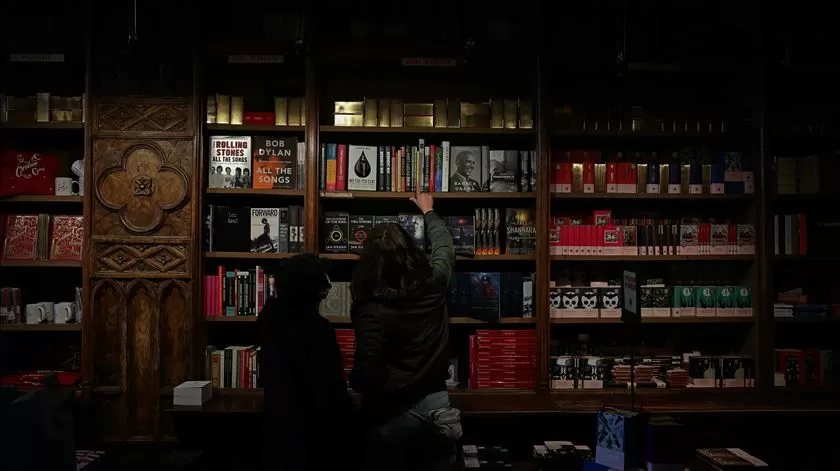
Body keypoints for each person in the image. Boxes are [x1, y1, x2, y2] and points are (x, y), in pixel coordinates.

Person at [350, 186, 463, 471]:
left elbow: (367, 369)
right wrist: (429, 211)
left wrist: (358, 386)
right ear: (411, 253)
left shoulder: (369, 307)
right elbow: (444, 248)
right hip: (436, 404)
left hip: (389, 410)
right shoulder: (434, 284)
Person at [259, 254, 357, 471]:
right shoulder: (316, 330)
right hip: (313, 437)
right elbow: (329, 393)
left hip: (278, 432)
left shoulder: (269, 323)